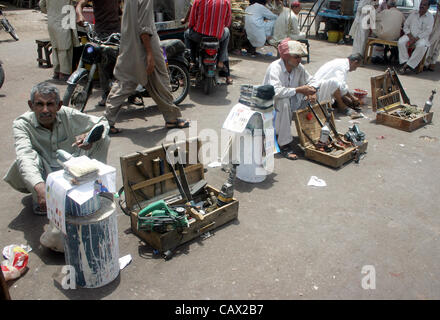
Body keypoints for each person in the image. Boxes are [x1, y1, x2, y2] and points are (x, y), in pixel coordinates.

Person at [3, 82, 110, 215]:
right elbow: (25, 156)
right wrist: (39, 187)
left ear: (59, 105)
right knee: (27, 160)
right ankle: (41, 194)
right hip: (43, 171)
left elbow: (102, 122)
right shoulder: (21, 124)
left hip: (68, 168)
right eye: (40, 104)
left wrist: (89, 138)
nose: (45, 110)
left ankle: (96, 185)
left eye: (50, 104)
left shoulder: (67, 114)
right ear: (31, 106)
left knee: (103, 138)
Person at [104, 0, 190, 134]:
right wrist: (149, 54)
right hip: (145, 46)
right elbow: (145, 27)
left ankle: (106, 121)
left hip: (130, 44)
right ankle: (171, 119)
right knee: (160, 81)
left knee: (126, 82)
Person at [75, 0, 140, 107]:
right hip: (100, 33)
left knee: (123, 63)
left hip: (117, 32)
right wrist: (80, 16)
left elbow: (119, 10)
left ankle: (132, 94)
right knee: (102, 64)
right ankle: (106, 95)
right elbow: (80, 5)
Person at [263, 38, 316, 160]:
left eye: (300, 56)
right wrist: (299, 90)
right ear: (287, 57)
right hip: (271, 105)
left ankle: (312, 136)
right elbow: (276, 91)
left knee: (312, 100)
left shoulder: (299, 67)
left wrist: (313, 90)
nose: (299, 59)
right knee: (284, 101)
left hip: (291, 102)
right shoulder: (275, 68)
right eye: (296, 56)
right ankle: (284, 144)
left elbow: (312, 80)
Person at [184, 0, 233, 84]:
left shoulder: (198, 1)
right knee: (227, 32)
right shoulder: (226, 2)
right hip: (217, 37)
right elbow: (227, 23)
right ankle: (221, 61)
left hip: (199, 36)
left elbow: (191, 22)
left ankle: (191, 60)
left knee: (186, 34)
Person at [39, 0, 80, 81]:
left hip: (52, 22)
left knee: (55, 47)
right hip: (64, 22)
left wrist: (51, 12)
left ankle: (57, 71)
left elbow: (41, 4)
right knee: (65, 48)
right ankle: (64, 73)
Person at [398, 0, 434, 74]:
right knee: (401, 42)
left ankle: (408, 65)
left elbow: (428, 31)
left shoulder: (430, 17)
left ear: (428, 7)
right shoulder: (413, 13)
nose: (422, 6)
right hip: (410, 35)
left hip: (421, 38)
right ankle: (405, 62)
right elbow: (405, 26)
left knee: (421, 46)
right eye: (421, 4)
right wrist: (410, 37)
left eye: (424, 5)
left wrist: (415, 39)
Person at [424, 1, 440, 71]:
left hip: (436, 31)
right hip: (436, 31)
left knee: (432, 46)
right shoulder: (438, 13)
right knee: (436, 47)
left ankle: (427, 63)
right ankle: (431, 63)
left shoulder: (438, 14)